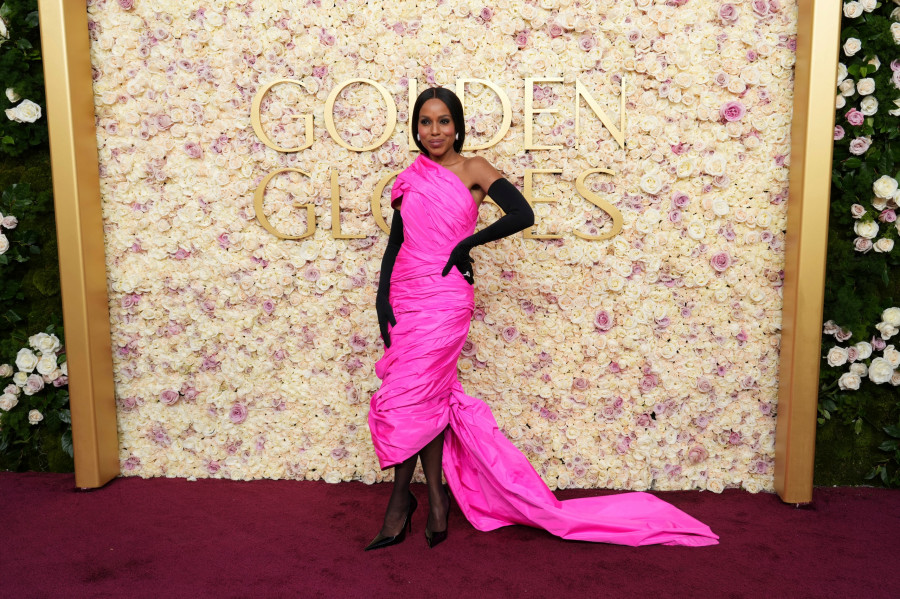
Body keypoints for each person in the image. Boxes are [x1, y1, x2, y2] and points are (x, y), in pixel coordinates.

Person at [365, 87, 718, 551]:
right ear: (416, 127)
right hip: (406, 293)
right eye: (426, 122)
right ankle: (432, 499)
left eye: (444, 121)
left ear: (458, 126)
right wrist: (380, 301)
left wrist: (467, 244)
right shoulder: (409, 178)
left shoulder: (475, 170)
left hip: (448, 295)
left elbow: (522, 213)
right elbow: (396, 244)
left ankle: (399, 505)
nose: (435, 131)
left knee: (422, 392)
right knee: (419, 397)